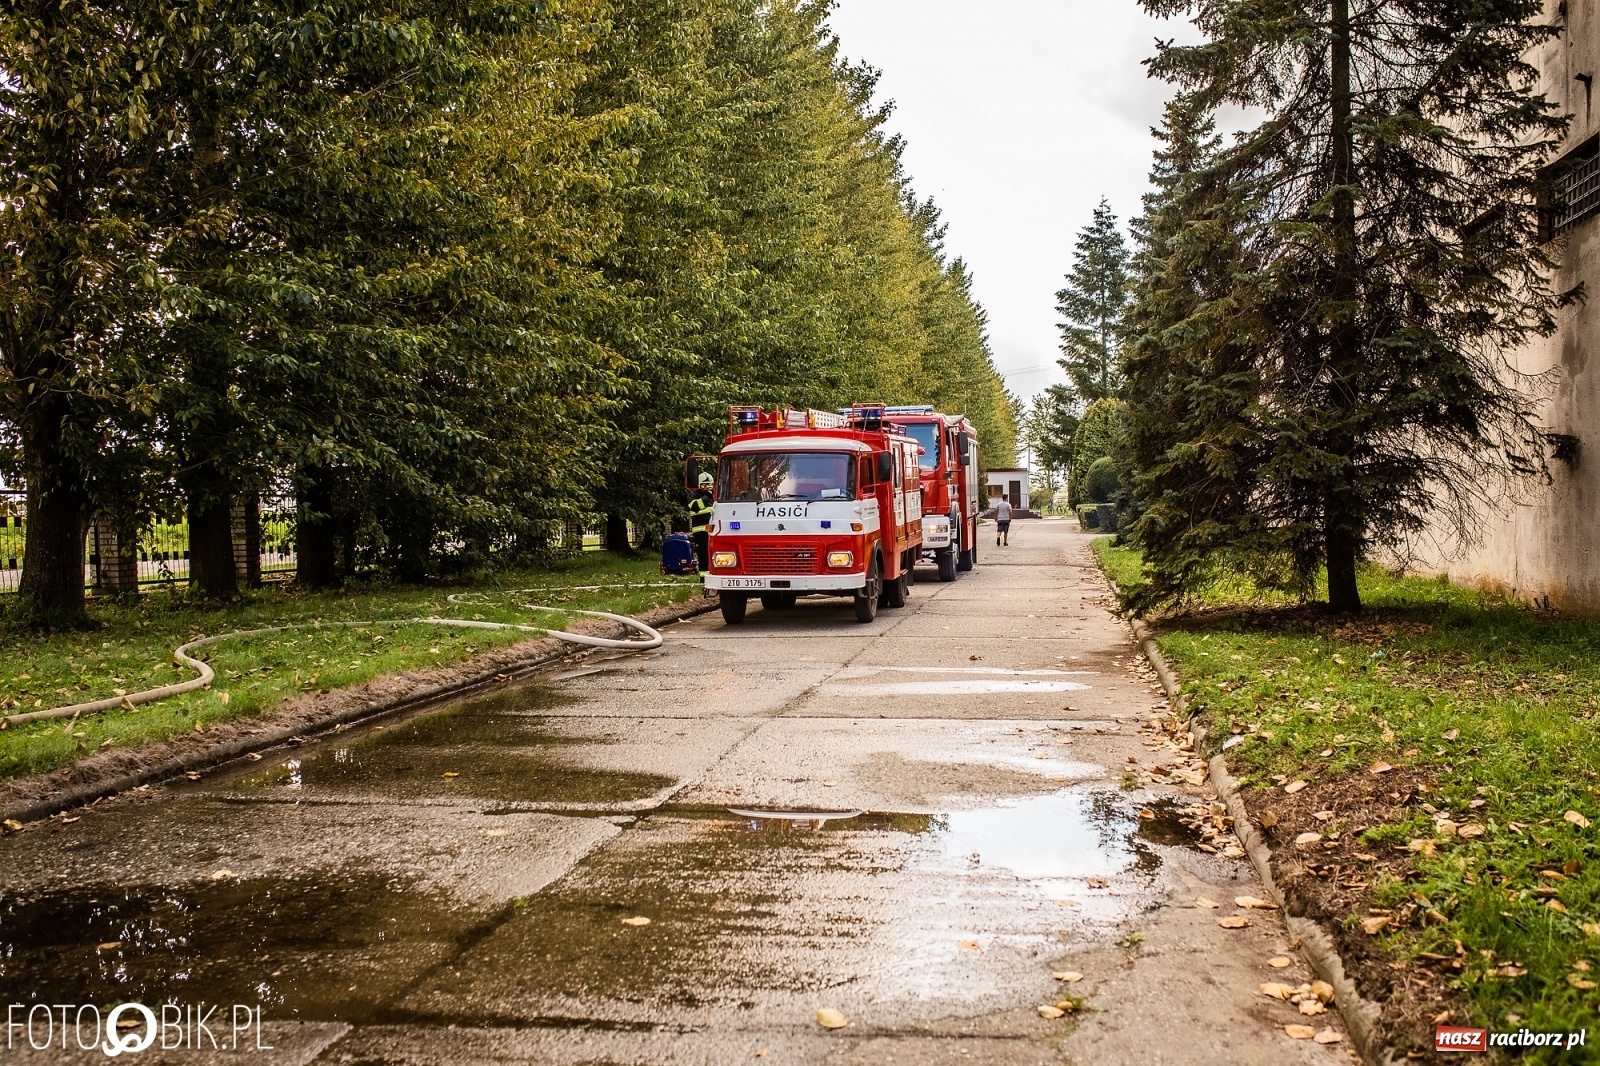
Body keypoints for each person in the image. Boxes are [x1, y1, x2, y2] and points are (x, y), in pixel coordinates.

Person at [688, 471, 715, 575]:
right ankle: (703, 577)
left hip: (712, 530)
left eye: (710, 484)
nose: (708, 486)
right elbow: (695, 507)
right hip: (700, 531)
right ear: (700, 485)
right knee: (703, 554)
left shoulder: (713, 496)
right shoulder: (693, 495)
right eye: (705, 484)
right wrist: (706, 497)